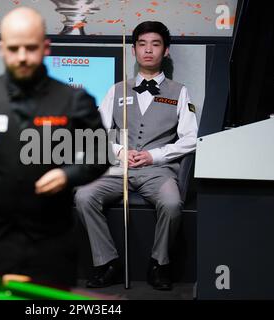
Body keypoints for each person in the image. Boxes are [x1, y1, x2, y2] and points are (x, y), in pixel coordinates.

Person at [0, 7, 109, 287]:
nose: (22, 57)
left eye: (31, 48)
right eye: (14, 49)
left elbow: (101, 155)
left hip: (51, 245)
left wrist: (67, 175)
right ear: (2, 49)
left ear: (46, 47)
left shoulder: (75, 100)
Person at [75, 21, 198, 290]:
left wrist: (154, 156)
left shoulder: (180, 92)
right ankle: (107, 263)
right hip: (119, 168)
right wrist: (120, 151)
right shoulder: (117, 90)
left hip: (157, 171)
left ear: (165, 51)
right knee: (84, 196)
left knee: (172, 203)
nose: (148, 50)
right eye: (142, 44)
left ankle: (159, 263)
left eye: (155, 44)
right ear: (134, 50)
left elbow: (191, 139)